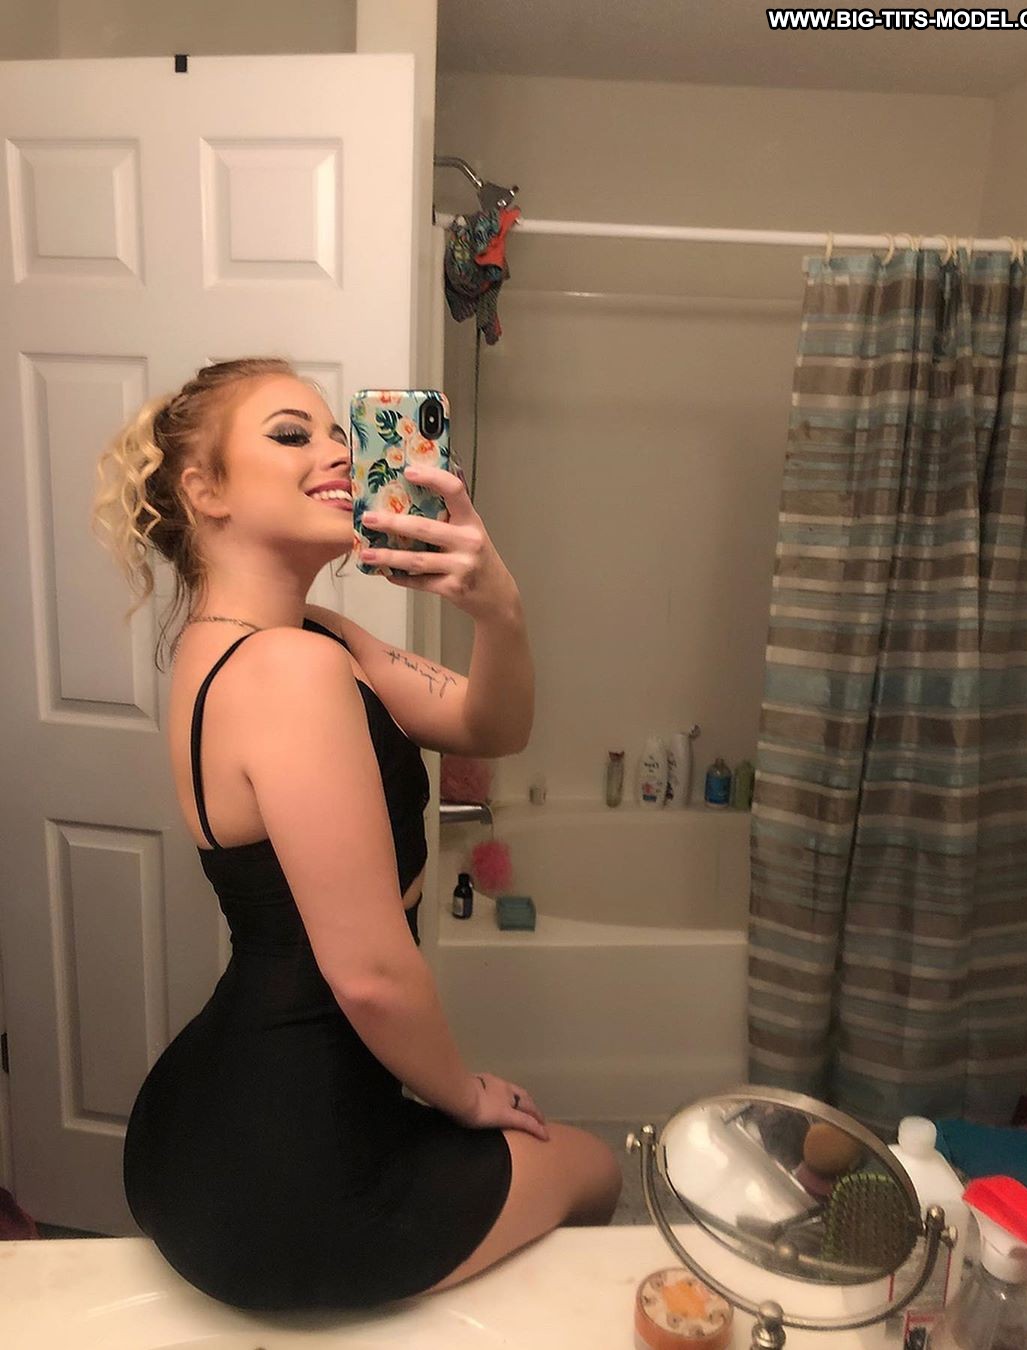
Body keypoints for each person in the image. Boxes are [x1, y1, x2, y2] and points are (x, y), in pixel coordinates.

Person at [90, 357, 621, 1310]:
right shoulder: (286, 670)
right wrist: (464, 1095)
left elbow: (490, 725)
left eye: (340, 433)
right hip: (291, 1172)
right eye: (292, 434)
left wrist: (497, 608)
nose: (338, 452)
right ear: (204, 490)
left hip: (210, 1112)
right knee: (595, 1173)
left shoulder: (297, 640)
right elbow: (370, 975)